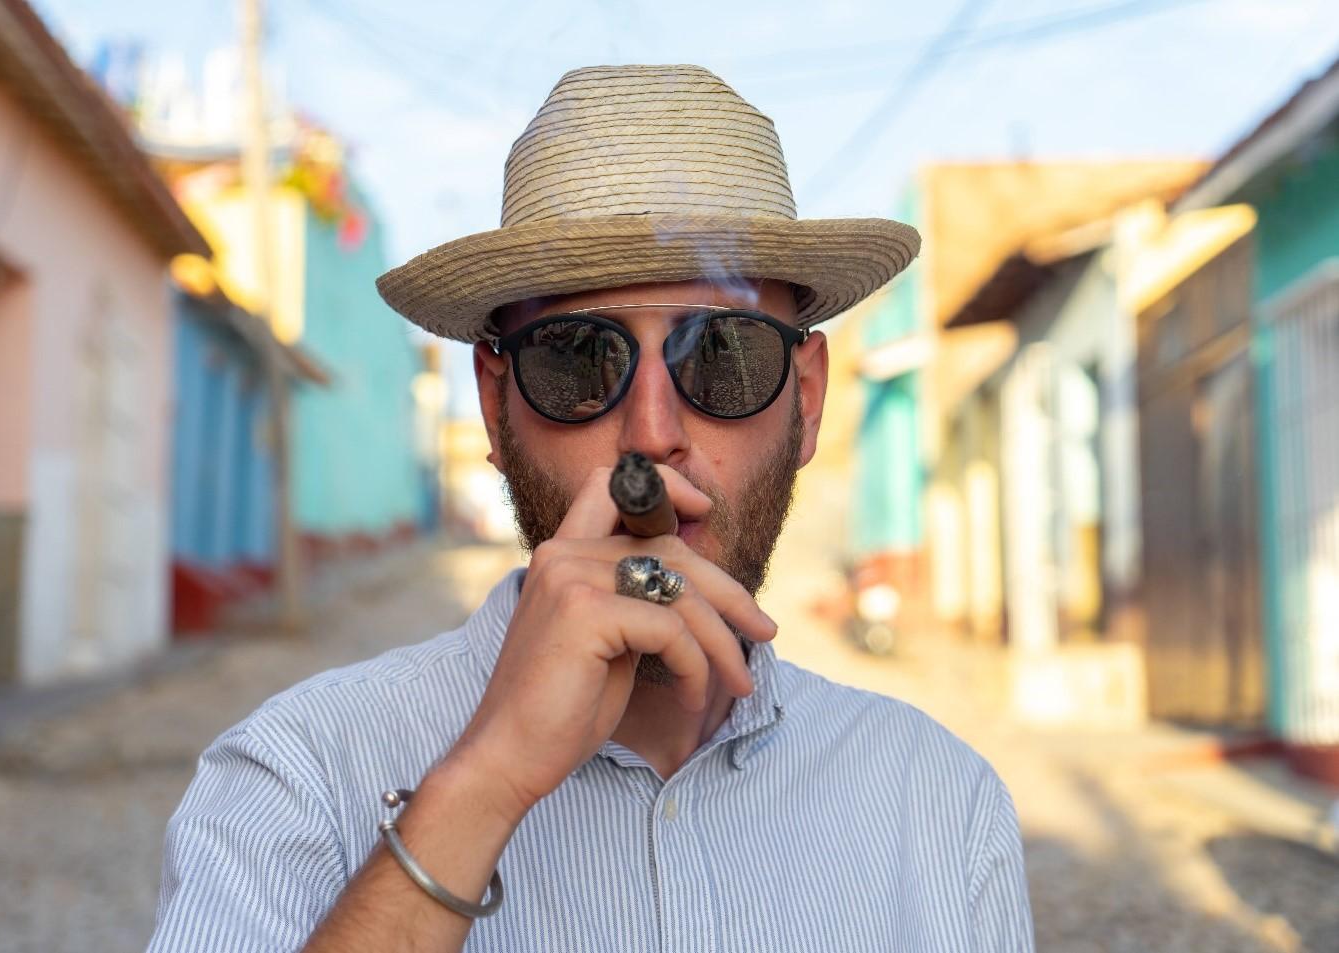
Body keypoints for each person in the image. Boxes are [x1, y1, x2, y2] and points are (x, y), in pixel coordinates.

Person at [146, 64, 1034, 953]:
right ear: (494, 408)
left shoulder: (936, 802)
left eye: (723, 354)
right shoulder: (298, 774)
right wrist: (483, 783)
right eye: (577, 360)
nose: (650, 435)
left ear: (805, 397)